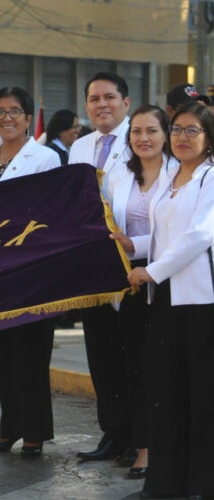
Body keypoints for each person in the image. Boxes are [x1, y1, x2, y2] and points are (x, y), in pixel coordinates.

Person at [113, 101, 214, 498]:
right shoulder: (173, 176)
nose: (182, 138)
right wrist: (134, 245)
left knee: (202, 396)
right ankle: (166, 483)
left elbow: (200, 236)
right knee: (166, 394)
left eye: (193, 130)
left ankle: (202, 484)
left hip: (200, 302)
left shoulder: (209, 178)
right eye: (177, 129)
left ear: (208, 138)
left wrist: (150, 271)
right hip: (168, 297)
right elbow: (164, 236)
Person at [0, 87, 61, 458]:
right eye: (0, 111)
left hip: (33, 271)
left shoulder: (46, 158)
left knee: (32, 353)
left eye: (15, 111)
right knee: (4, 355)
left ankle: (35, 432)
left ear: (29, 118)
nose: (6, 118)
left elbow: (49, 212)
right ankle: (9, 427)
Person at [69, 71, 135, 463]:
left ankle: (137, 437)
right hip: (90, 265)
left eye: (109, 97)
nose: (102, 105)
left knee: (133, 355)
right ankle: (112, 433)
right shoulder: (79, 147)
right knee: (101, 354)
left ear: (125, 103)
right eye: (94, 99)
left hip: (131, 263)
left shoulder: (141, 139)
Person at [106, 105, 174, 480]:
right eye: (136, 132)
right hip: (128, 285)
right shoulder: (119, 175)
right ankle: (141, 443)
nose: (143, 138)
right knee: (134, 368)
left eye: (151, 131)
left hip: (167, 282)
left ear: (165, 135)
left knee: (163, 370)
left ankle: (162, 446)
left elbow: (181, 233)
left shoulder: (180, 174)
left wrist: (136, 244)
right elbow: (107, 221)